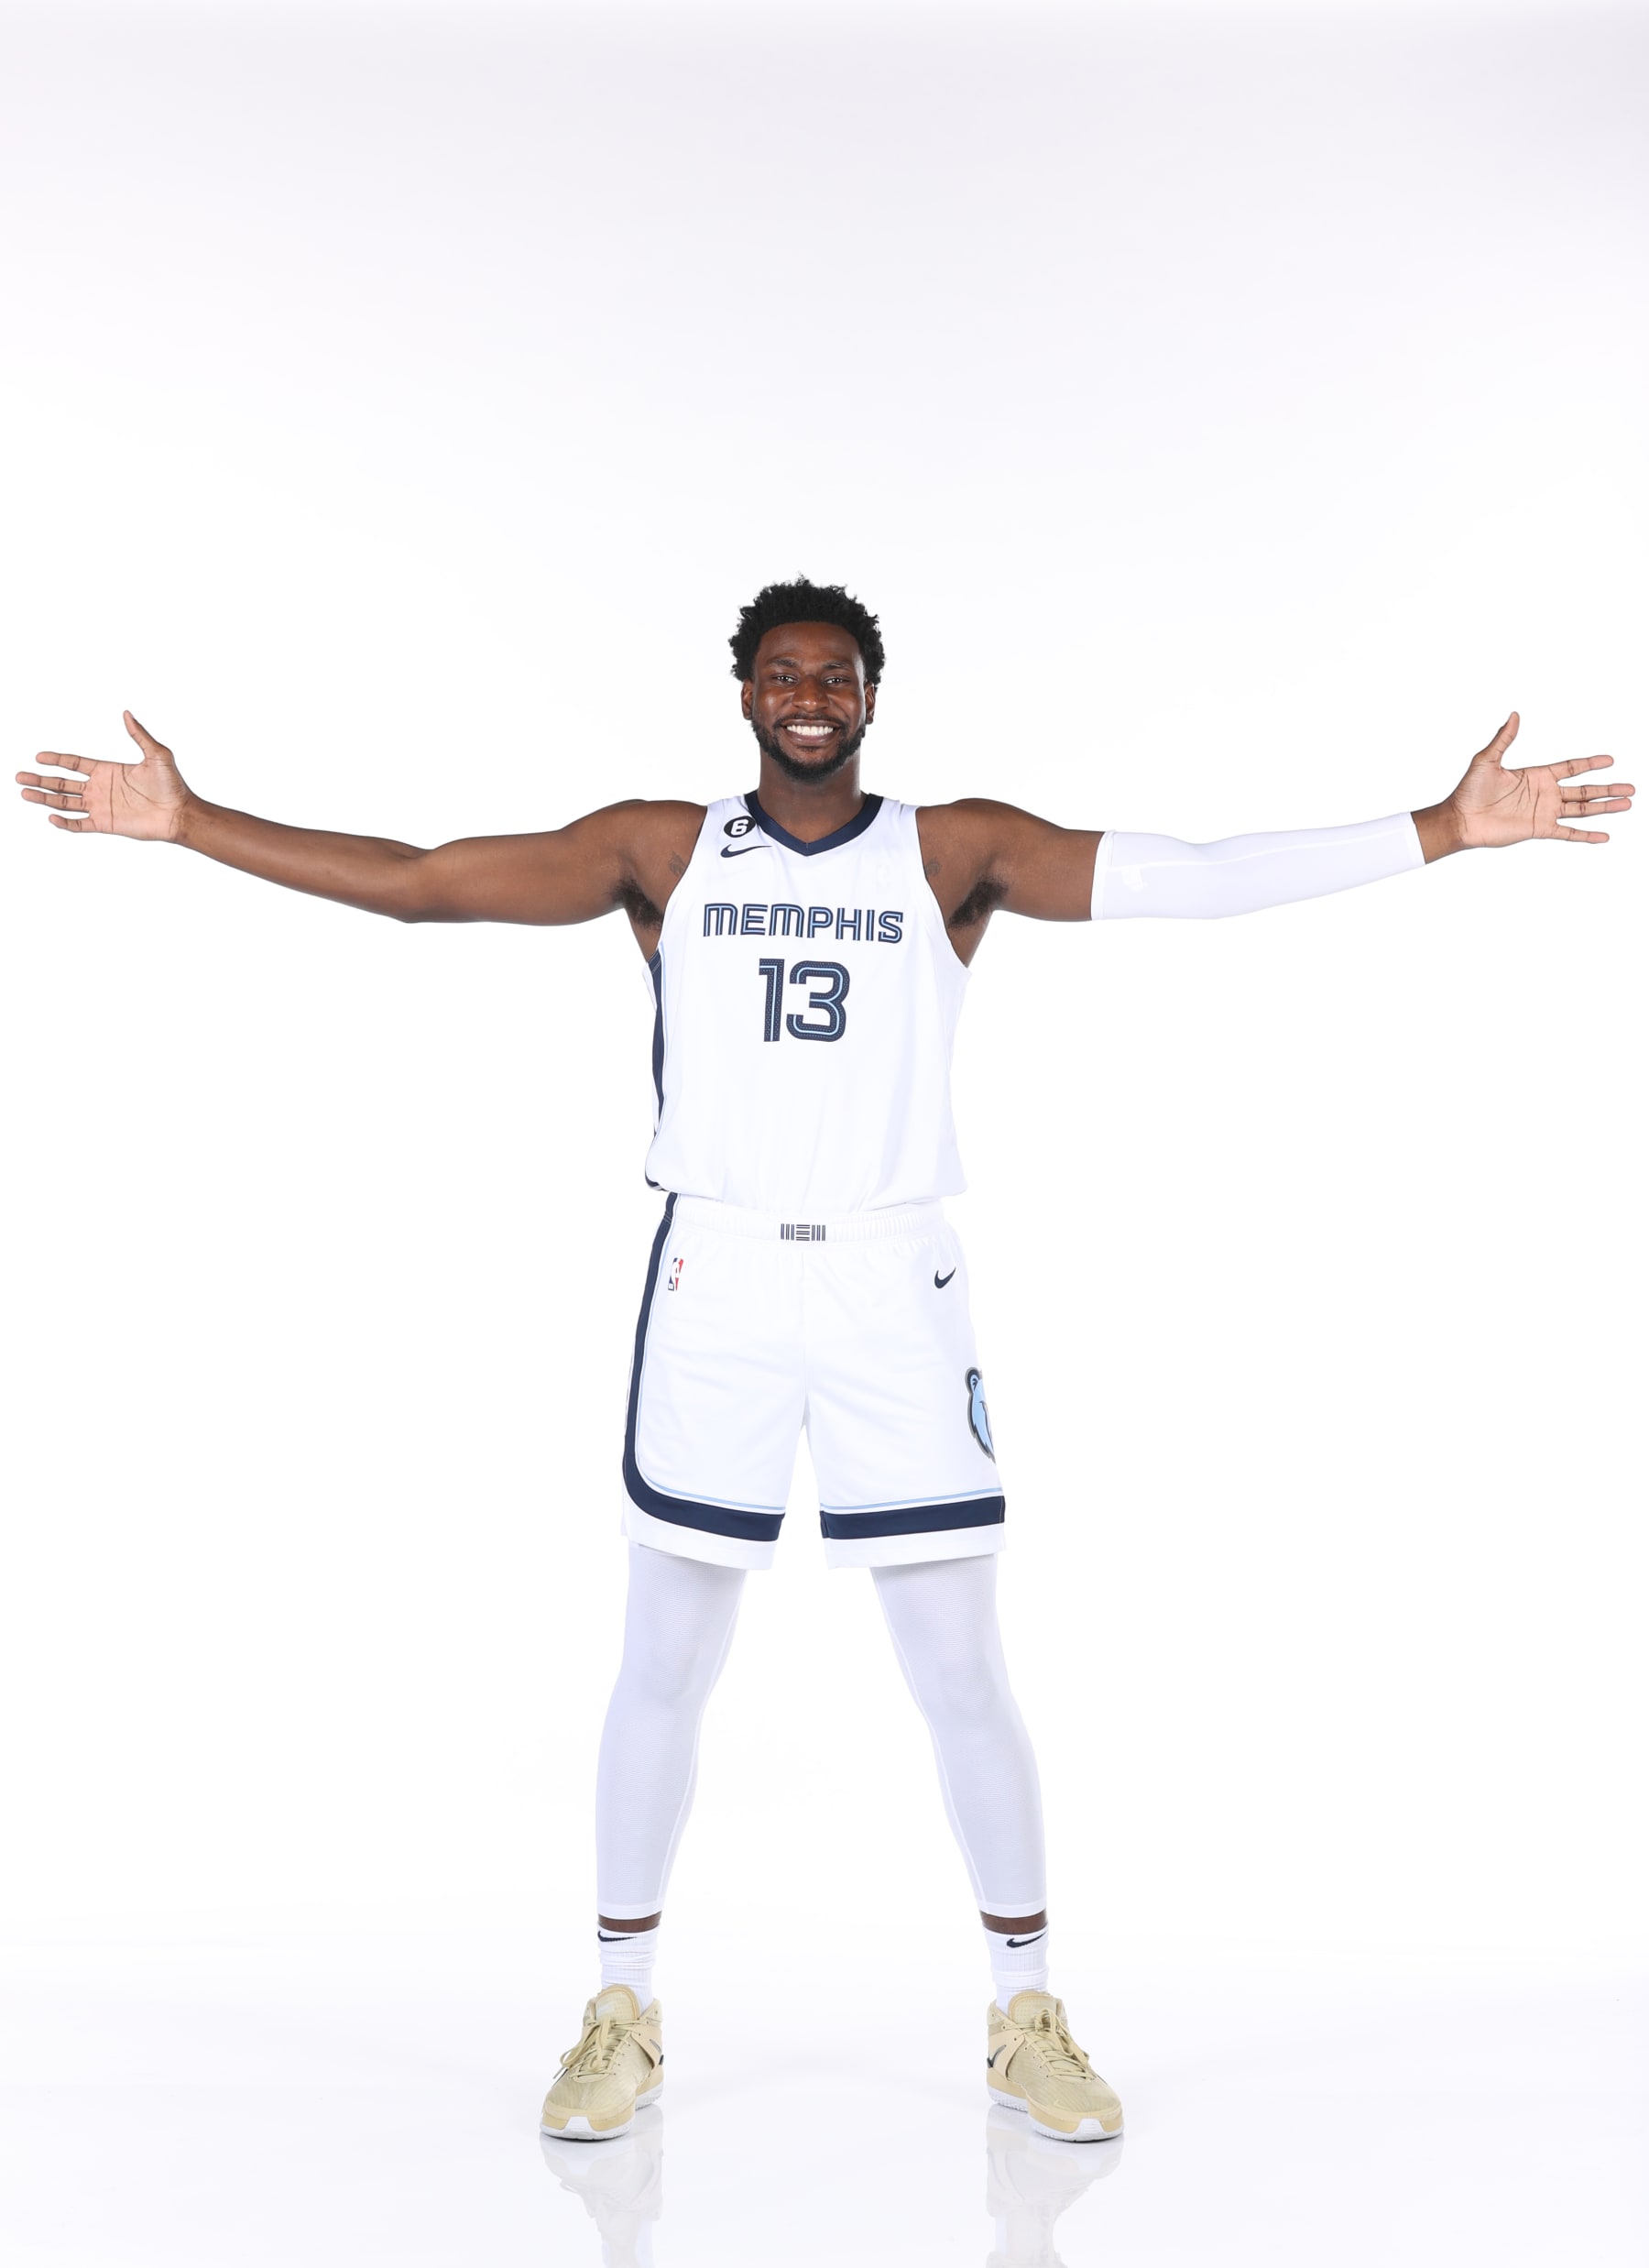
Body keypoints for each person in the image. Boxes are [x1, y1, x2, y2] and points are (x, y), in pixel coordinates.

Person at [17, 576, 1633, 2148]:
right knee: (665, 1660)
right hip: (715, 1277)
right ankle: (620, 2007)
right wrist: (191, 819)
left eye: (834, 674)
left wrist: (1437, 829)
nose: (807, 696)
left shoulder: (953, 854)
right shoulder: (664, 851)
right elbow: (427, 882)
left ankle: (1025, 2013)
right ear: (745, 697)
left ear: (870, 698)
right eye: (781, 673)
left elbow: (1189, 880)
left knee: (959, 1673)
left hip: (889, 1285)